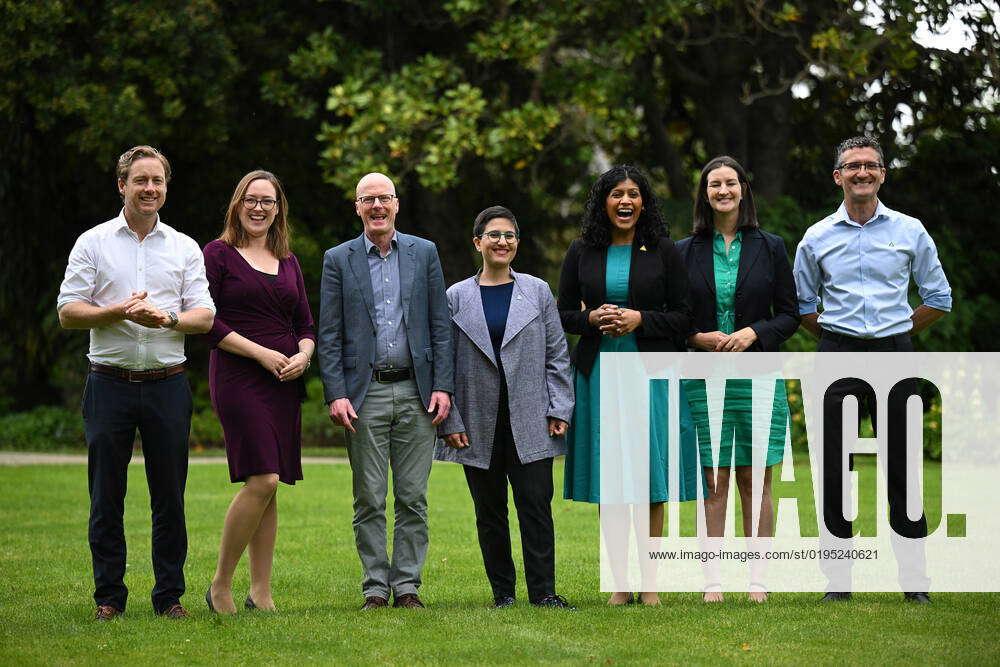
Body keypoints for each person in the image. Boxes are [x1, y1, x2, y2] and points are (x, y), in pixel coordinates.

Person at [57, 145, 215, 620]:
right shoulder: (93, 243)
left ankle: (169, 597)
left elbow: (204, 316)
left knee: (169, 495)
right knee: (107, 495)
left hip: (168, 384)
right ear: (121, 185)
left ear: (166, 187)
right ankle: (109, 597)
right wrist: (119, 311)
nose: (150, 189)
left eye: (158, 181)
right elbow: (68, 311)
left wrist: (165, 319)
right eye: (140, 180)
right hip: (109, 384)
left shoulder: (184, 247)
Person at [793, 135, 952, 604]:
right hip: (837, 356)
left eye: (870, 165)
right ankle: (837, 583)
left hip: (894, 354)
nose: (861, 172)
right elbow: (803, 304)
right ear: (837, 176)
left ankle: (914, 583)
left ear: (883, 174)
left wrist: (898, 331)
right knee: (834, 471)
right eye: (852, 165)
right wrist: (837, 338)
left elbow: (938, 298)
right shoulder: (817, 237)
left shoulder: (910, 230)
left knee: (904, 468)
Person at [558, 164, 696, 606]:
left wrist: (640, 318)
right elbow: (559, 314)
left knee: (649, 476)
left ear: (643, 202)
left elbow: (685, 317)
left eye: (633, 194)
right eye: (616, 193)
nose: (625, 201)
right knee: (613, 478)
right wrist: (591, 318)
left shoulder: (663, 250)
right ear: (603, 202)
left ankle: (650, 582)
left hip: (650, 372)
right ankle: (620, 582)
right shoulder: (581, 250)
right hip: (600, 372)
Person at [318, 172, 453, 610]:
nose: (377, 206)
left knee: (413, 497)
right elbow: (330, 332)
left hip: (417, 393)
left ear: (397, 205)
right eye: (367, 199)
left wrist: (443, 387)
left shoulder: (424, 253)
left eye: (384, 198)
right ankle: (376, 588)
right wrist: (335, 392)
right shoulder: (338, 259)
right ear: (357, 208)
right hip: (364, 395)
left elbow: (440, 326)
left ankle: (408, 586)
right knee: (369, 497)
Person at [436, 205, 575, 609]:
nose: (503, 242)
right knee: (490, 512)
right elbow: (444, 365)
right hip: (476, 422)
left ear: (517, 242)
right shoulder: (456, 297)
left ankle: (544, 593)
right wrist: (451, 420)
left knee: (536, 507)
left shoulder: (537, 291)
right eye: (494, 235)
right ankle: (503, 594)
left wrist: (560, 407)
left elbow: (557, 355)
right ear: (478, 242)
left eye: (510, 235)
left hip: (532, 418)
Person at [675, 156, 800, 602]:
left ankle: (758, 582)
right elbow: (674, 318)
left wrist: (754, 332)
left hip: (759, 374)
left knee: (755, 478)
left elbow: (790, 315)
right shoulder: (683, 251)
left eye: (730, 183)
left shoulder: (771, 247)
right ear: (704, 194)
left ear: (743, 190)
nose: (723, 190)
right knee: (713, 479)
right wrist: (696, 337)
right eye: (714, 184)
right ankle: (712, 583)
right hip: (703, 375)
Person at [202, 171, 315, 614]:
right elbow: (207, 321)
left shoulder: (287, 258)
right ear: (237, 204)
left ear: (278, 210)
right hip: (238, 375)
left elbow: (305, 323)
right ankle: (220, 585)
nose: (258, 208)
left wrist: (303, 355)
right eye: (251, 200)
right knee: (262, 477)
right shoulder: (218, 254)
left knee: (270, 484)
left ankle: (261, 591)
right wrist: (261, 354)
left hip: (284, 379)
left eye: (267, 201)